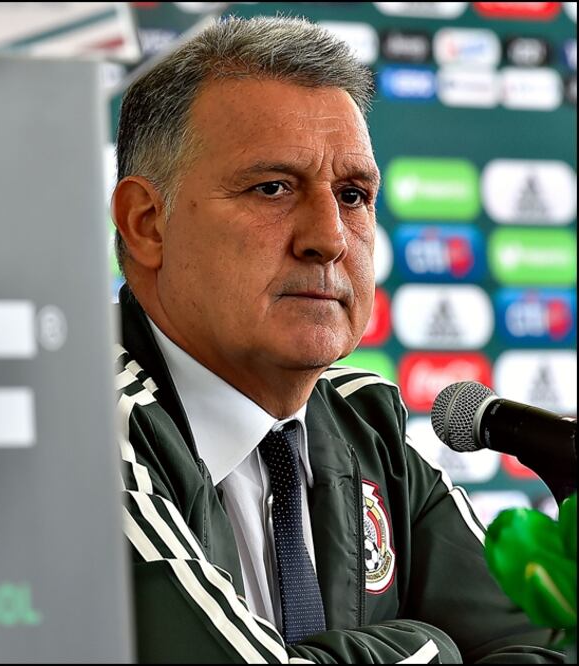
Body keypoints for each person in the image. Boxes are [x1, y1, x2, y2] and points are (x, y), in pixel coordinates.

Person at [110, 16, 563, 664]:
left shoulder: (362, 421)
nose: (327, 236)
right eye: (272, 188)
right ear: (147, 223)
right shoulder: (87, 426)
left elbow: (546, 647)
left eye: (352, 195)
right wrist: (428, 646)